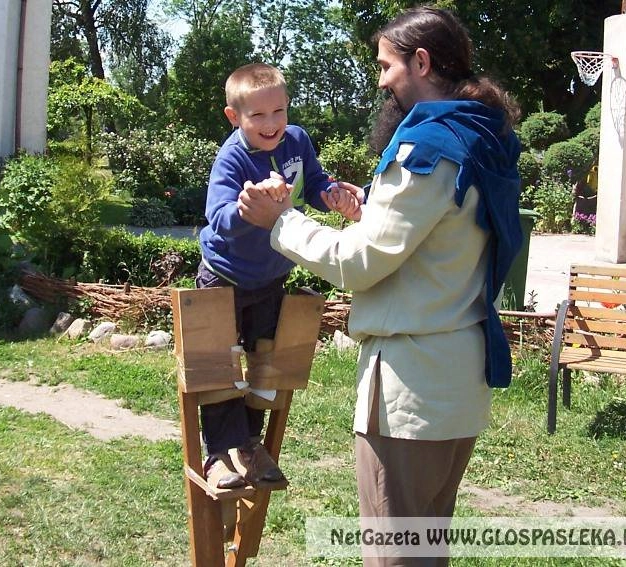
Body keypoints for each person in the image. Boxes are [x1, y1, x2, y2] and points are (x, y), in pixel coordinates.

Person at [238, 7, 522, 565]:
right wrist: (375, 210)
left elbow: (362, 262)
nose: (381, 79)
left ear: (421, 61)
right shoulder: (480, 136)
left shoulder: (427, 147)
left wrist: (282, 221)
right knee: (425, 550)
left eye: (387, 65)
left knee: (396, 555)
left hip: (411, 393)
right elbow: (443, 236)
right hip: (455, 388)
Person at [198, 62, 356, 490]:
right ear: (235, 117)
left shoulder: (298, 141)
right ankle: (216, 455)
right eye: (258, 116)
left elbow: (314, 183)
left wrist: (333, 195)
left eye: (279, 112)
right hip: (224, 278)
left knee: (265, 364)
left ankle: (248, 445)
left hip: (270, 278)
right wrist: (249, 206)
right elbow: (218, 218)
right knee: (218, 368)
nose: (272, 124)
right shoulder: (231, 157)